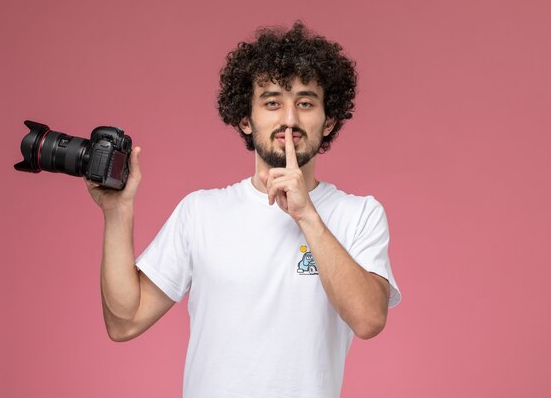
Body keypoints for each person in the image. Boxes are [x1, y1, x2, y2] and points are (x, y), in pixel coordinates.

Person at [85, 21, 401, 398]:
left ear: (328, 121)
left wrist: (307, 215)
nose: (289, 120)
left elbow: (368, 319)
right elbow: (124, 322)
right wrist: (117, 212)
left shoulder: (360, 215)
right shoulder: (201, 212)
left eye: (305, 102)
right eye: (272, 102)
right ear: (245, 120)